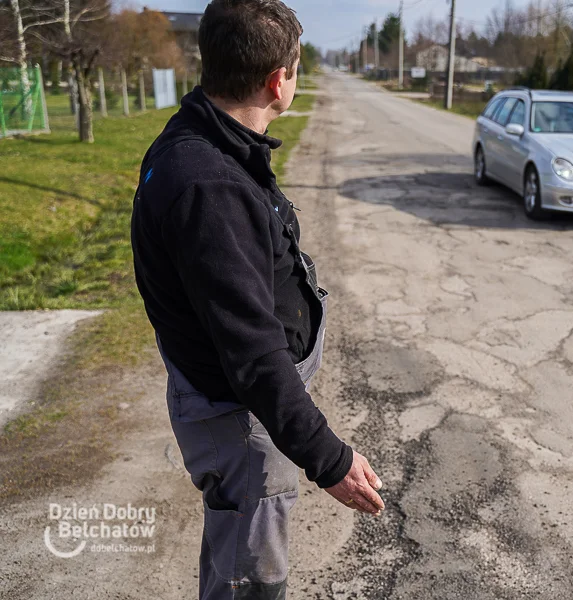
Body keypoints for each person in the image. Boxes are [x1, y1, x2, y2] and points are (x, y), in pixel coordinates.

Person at [130, 1, 384, 597]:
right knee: (249, 578)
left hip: (239, 398)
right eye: (295, 66)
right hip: (239, 417)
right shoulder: (208, 184)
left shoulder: (210, 140)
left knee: (235, 555)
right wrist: (330, 460)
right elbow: (252, 352)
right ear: (278, 80)